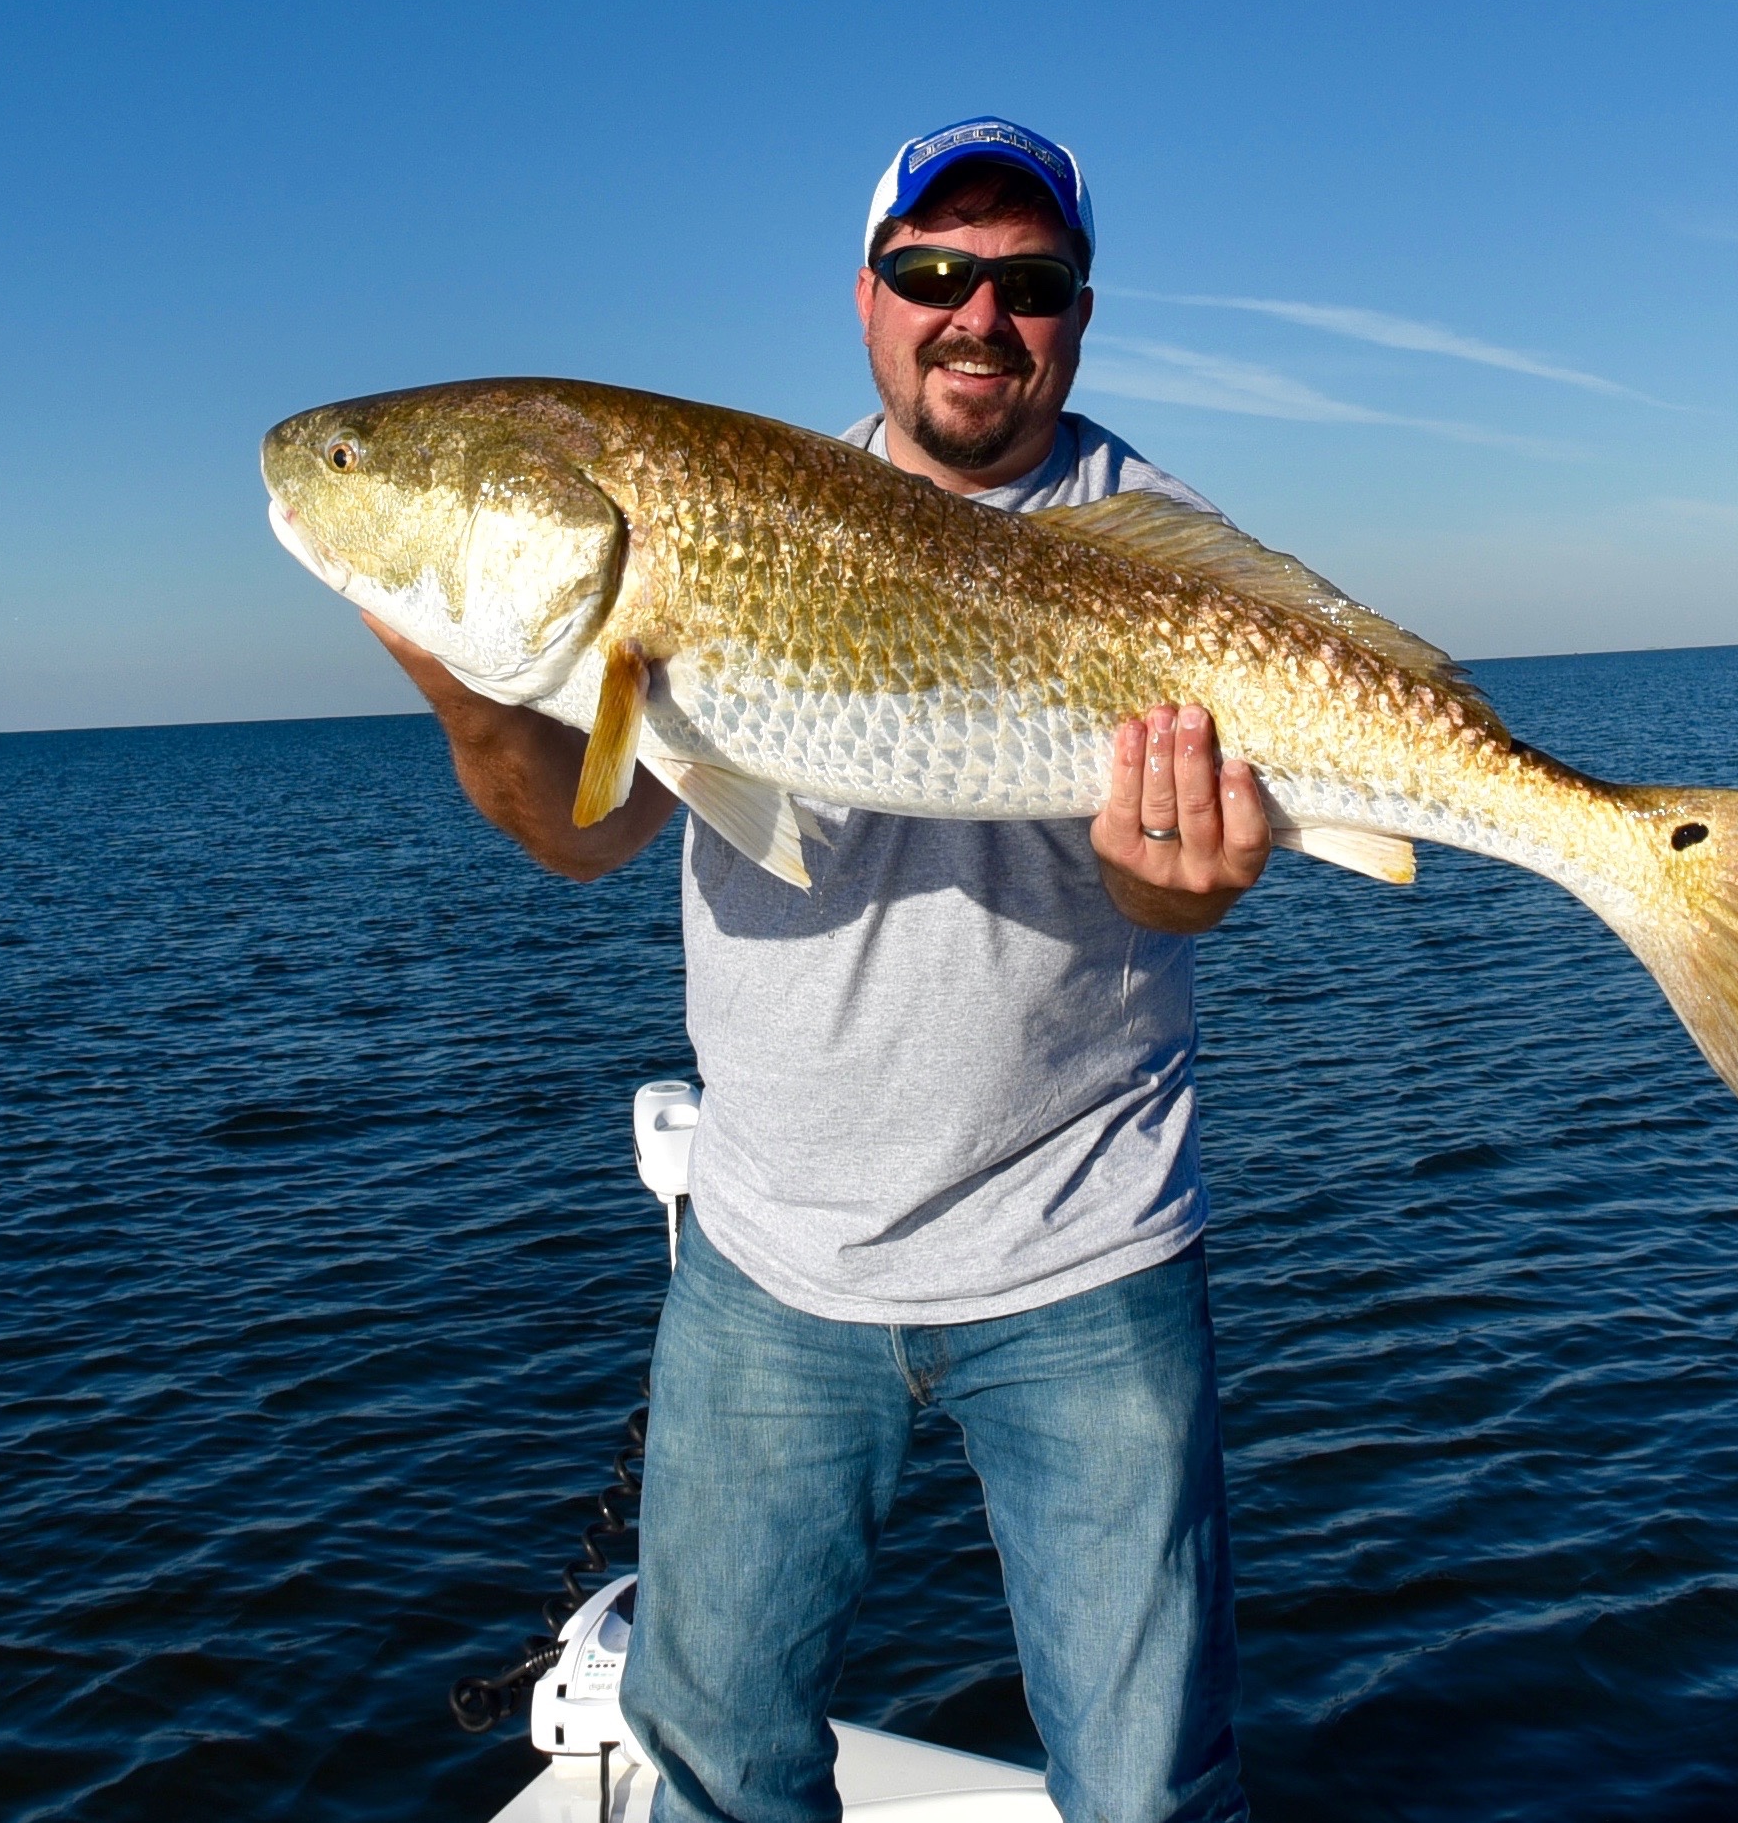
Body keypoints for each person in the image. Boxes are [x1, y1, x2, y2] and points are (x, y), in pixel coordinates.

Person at [369, 118, 1266, 1823]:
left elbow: (1182, 889)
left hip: (1088, 1251)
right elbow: (583, 835)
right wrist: (474, 676)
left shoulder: (1160, 544)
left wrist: (1190, 889)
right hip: (769, 1260)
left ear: (1080, 313)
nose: (976, 317)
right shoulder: (734, 514)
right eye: (933, 275)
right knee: (715, 1772)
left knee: (1154, 1793)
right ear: (868, 297)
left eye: (1029, 284)